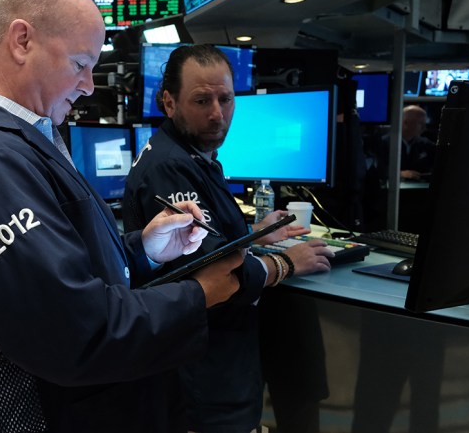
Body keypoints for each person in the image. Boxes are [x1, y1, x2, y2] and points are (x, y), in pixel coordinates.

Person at [0, 0, 248, 432]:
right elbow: (72, 329)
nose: (89, 84)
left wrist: (142, 249)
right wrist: (197, 294)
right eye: (80, 63)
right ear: (22, 40)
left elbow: (55, 267)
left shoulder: (20, 139)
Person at [123, 44, 334, 432]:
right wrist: (287, 262)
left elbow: (201, 236)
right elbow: (212, 269)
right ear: (168, 102)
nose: (217, 113)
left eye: (225, 99)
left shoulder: (190, 153)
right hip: (203, 361)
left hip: (212, 356)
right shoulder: (171, 165)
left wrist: (252, 234)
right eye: (202, 100)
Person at [380, 105, 436, 182]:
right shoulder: (384, 143)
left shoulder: (425, 143)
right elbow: (379, 170)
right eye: (421, 124)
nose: (424, 128)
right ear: (405, 123)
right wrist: (399, 174)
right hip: (392, 190)